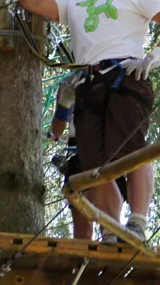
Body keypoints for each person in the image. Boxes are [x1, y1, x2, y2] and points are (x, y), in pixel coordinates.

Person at [3, 0, 160, 243]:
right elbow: (33, 3)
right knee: (94, 164)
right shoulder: (73, 0)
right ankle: (110, 230)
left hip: (127, 74)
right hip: (88, 84)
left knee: (131, 149)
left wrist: (156, 55)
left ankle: (138, 222)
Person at [50, 76, 128, 241]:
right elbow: (57, 131)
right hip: (78, 148)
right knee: (82, 226)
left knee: (110, 219)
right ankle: (81, 264)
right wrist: (64, 103)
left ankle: (112, 255)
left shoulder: (115, 72)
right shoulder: (68, 83)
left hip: (108, 146)